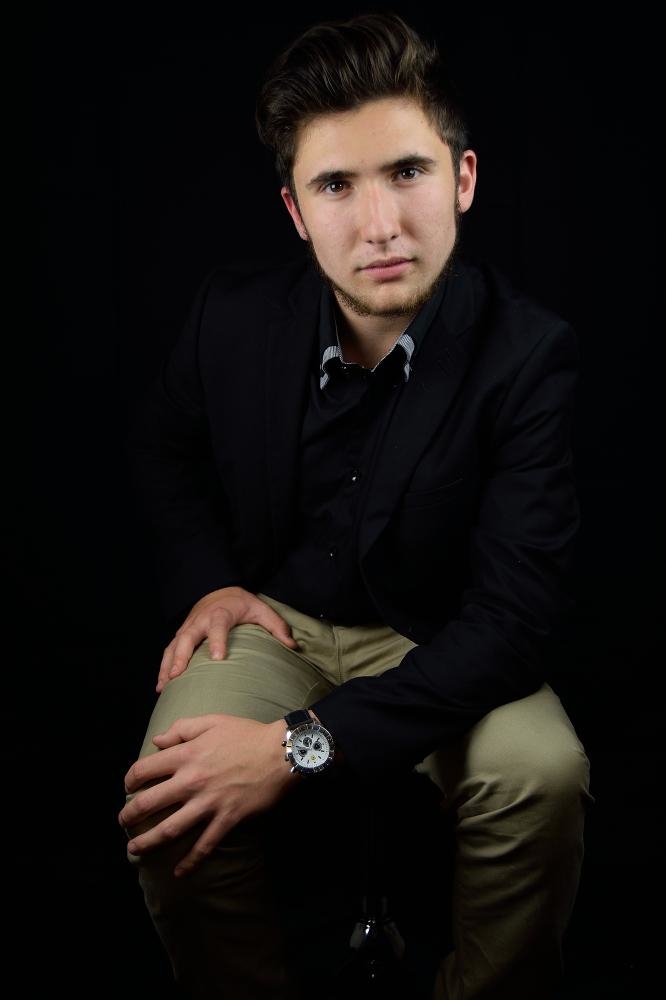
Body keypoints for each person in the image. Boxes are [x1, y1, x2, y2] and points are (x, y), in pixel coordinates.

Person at [118, 11, 592, 999]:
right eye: (336, 185)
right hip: (274, 623)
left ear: (463, 179)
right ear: (296, 211)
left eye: (408, 172)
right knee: (169, 791)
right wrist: (209, 584)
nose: (379, 226)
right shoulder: (230, 315)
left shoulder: (529, 355)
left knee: (542, 775)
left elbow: (511, 622)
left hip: (446, 637)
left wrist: (300, 747)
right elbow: (166, 450)